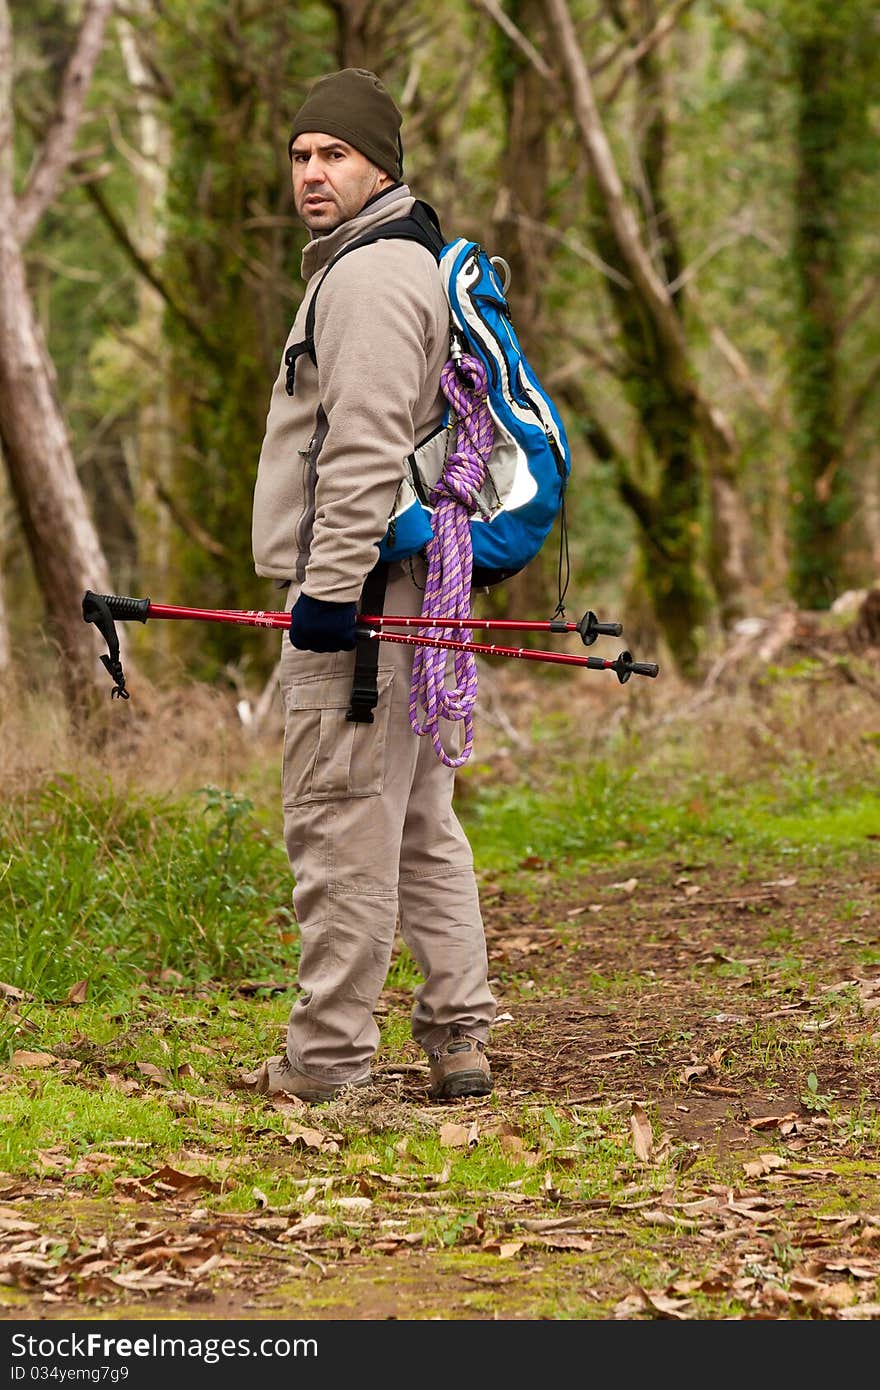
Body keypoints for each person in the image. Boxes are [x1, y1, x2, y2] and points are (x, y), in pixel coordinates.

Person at [247, 68, 497, 1104]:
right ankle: (459, 1037)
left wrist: (329, 589)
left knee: (340, 820)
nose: (312, 172)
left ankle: (328, 1064)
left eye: (335, 155)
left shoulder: (366, 278)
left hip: (362, 608)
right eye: (302, 154)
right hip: (407, 597)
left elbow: (358, 449)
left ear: (380, 165)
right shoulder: (398, 264)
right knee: (414, 822)